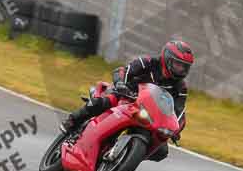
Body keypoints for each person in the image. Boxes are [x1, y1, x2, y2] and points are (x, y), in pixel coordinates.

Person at [61, 41, 195, 159]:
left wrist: (176, 130)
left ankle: (127, 157)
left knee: (162, 151)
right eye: (178, 64)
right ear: (167, 58)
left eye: (184, 67)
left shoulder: (180, 87)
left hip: (148, 114)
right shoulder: (148, 62)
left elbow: (179, 112)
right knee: (104, 102)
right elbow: (123, 71)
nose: (181, 69)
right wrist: (120, 84)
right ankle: (73, 120)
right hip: (126, 96)